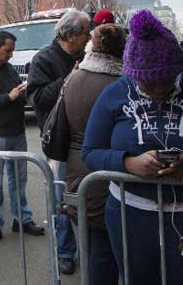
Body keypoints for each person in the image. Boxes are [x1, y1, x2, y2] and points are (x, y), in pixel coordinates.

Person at [82, 10, 183, 285]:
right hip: (130, 217)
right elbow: (90, 152)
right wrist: (128, 163)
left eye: (164, 81)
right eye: (147, 83)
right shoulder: (114, 94)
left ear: (177, 71)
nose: (157, 90)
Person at [26, 8, 91, 275]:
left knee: (90, 197)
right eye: (85, 32)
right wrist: (69, 80)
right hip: (60, 144)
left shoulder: (86, 56)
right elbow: (37, 99)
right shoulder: (44, 59)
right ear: (71, 35)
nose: (88, 37)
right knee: (62, 200)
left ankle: (92, 249)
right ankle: (65, 251)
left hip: (87, 140)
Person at [64, 24, 126, 285]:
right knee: (113, 247)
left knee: (92, 242)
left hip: (77, 166)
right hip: (109, 167)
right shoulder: (120, 82)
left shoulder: (74, 76)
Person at [0, 31, 44, 249]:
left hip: (16, 131)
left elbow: (12, 95)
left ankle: (21, 219)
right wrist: (9, 97)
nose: (11, 55)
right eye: (8, 50)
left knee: (18, 181)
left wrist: (21, 93)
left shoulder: (9, 68)